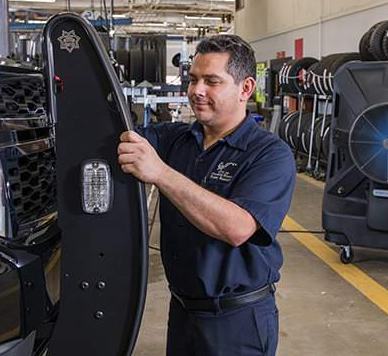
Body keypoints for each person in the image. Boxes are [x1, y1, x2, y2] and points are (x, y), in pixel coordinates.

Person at [117, 34, 296, 356]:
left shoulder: (269, 154)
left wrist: (161, 173)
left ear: (245, 88)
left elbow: (237, 228)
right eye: (193, 79)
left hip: (237, 321)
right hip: (184, 311)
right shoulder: (176, 140)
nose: (196, 91)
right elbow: (113, 136)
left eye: (212, 81)